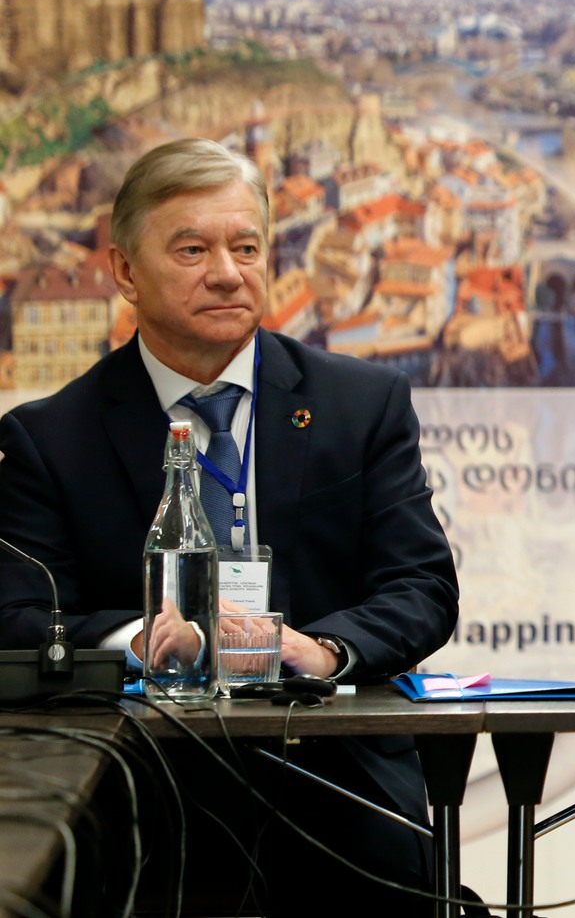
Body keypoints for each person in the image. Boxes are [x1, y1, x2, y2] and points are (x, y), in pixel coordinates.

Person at [0, 138, 459, 915]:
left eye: (246, 248)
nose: (227, 273)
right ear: (124, 272)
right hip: (145, 806)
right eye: (192, 250)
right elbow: (16, 619)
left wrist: (320, 651)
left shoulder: (359, 405)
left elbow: (422, 588)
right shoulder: (50, 438)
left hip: (340, 798)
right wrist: (145, 640)